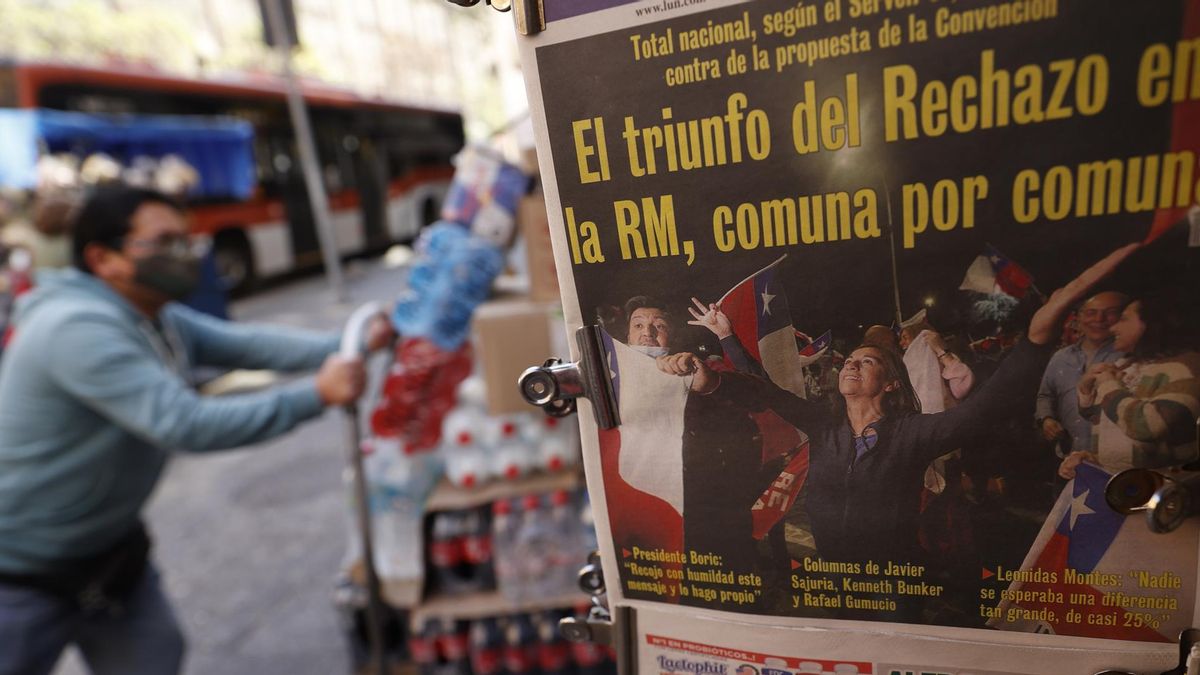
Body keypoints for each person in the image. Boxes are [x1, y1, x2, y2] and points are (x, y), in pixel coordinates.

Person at [0, 187, 392, 675]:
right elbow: (185, 423)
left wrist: (351, 342)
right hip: (21, 576)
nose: (186, 253)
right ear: (104, 258)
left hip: (110, 556)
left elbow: (245, 345)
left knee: (155, 657)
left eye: (186, 239)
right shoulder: (76, 328)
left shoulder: (151, 314)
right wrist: (317, 394)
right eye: (165, 241)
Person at [655, 244, 1138, 617]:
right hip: (833, 576)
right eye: (850, 360)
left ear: (888, 384)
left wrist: (1036, 338)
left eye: (866, 362)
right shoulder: (824, 427)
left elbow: (985, 409)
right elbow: (762, 391)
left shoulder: (912, 434)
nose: (850, 365)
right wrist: (717, 353)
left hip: (893, 583)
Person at [1058, 290, 1200, 478]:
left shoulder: (1185, 366)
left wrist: (1108, 384)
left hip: (1161, 491)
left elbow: (1147, 425)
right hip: (1120, 487)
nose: (1113, 328)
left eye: (1123, 319)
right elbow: (1106, 419)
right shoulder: (1127, 364)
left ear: (1151, 323)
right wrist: (1092, 459)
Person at [1035, 291, 1128, 457]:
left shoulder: (1128, 356)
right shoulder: (1060, 357)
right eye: (1091, 313)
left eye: (1110, 313)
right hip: (1070, 457)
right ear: (1078, 318)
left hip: (1114, 458)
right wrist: (1046, 419)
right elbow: (1045, 395)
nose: (1099, 319)